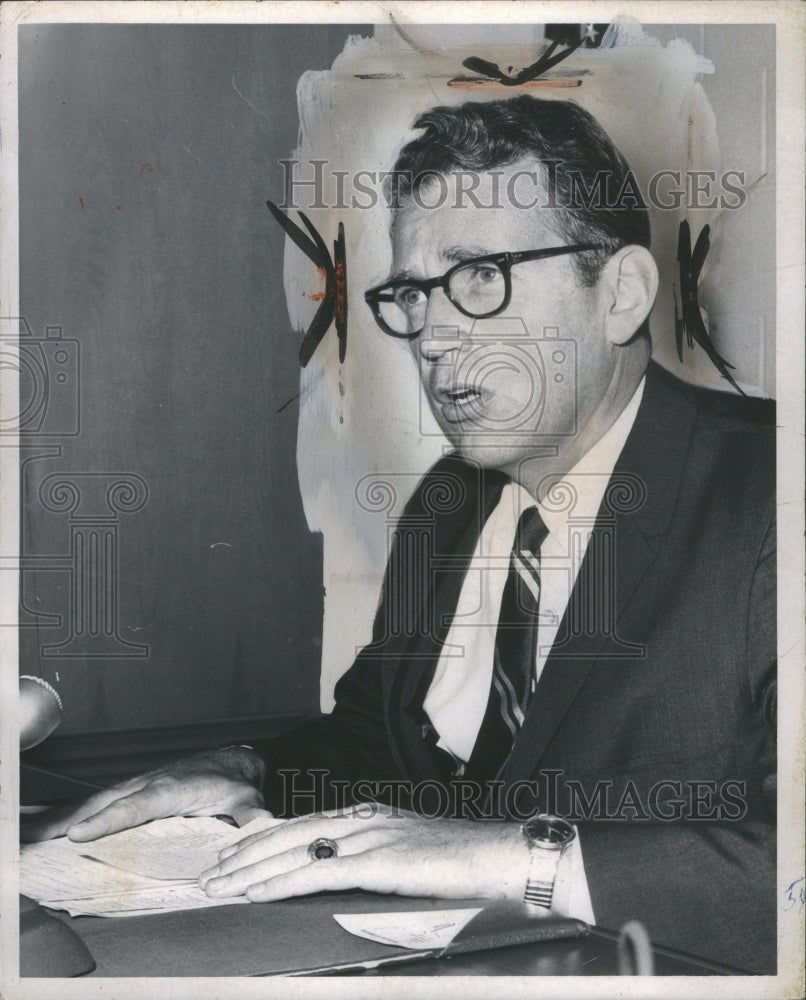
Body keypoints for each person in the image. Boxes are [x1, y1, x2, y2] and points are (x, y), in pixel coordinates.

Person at [23, 96, 776, 973]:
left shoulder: (772, 494)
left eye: (481, 277)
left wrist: (498, 858)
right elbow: (377, 743)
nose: (436, 338)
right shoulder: (449, 502)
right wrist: (250, 772)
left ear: (620, 295)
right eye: (415, 294)